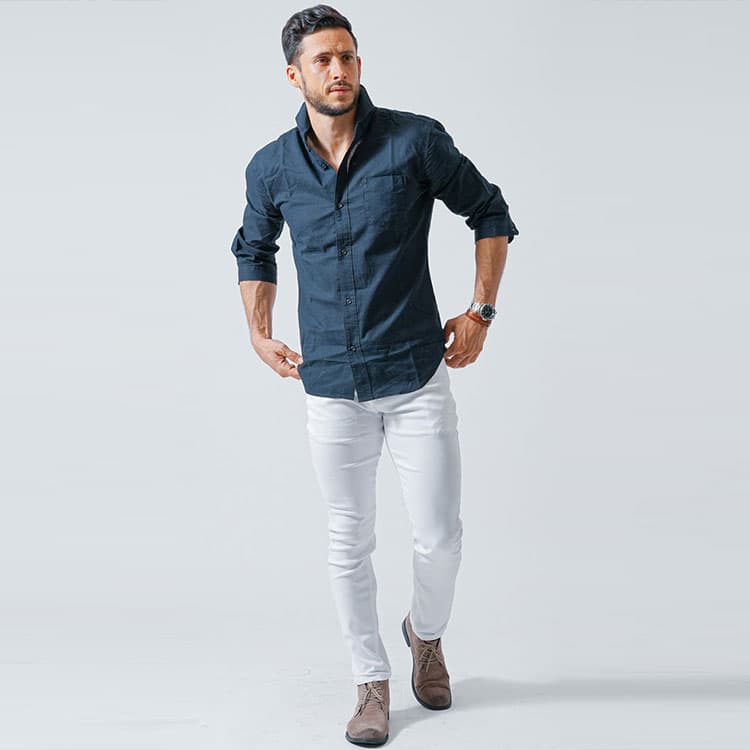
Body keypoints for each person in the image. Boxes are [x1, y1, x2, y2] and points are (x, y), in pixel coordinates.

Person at [230, 5, 519, 745]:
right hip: (330, 383)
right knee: (347, 541)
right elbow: (254, 248)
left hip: (415, 373)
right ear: (294, 75)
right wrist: (258, 332)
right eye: (323, 60)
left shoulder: (414, 141)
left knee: (441, 537)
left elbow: (489, 212)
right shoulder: (271, 166)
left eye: (348, 56)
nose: (339, 70)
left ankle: (426, 635)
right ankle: (370, 680)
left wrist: (481, 311)